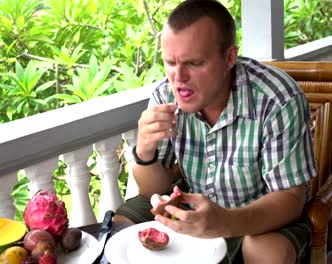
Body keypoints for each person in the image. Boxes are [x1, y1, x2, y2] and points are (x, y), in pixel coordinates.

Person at [114, 0, 317, 263]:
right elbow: (155, 188)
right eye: (170, 62)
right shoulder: (165, 95)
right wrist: (144, 152)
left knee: (267, 253)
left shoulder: (277, 99)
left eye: (194, 63)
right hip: (192, 201)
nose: (178, 77)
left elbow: (290, 199)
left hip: (265, 214)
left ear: (229, 57)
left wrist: (224, 222)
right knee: (121, 228)